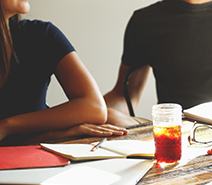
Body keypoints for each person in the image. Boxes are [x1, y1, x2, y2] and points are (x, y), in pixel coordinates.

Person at [0, 0, 128, 146]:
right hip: (17, 156)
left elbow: (94, 108)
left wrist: (7, 126)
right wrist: (55, 135)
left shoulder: (40, 34)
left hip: (38, 153)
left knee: (117, 119)